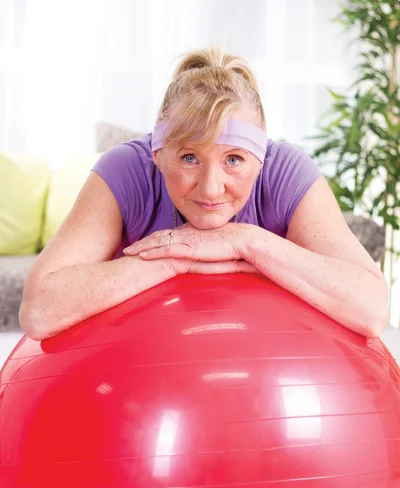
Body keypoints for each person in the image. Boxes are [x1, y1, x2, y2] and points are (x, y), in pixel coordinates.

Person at [20, 47, 388, 341]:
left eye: (234, 160)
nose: (211, 188)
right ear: (158, 156)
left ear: (261, 161)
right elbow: (38, 311)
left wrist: (244, 241)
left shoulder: (287, 173)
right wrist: (180, 256)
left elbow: (371, 309)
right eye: (190, 157)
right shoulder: (125, 170)